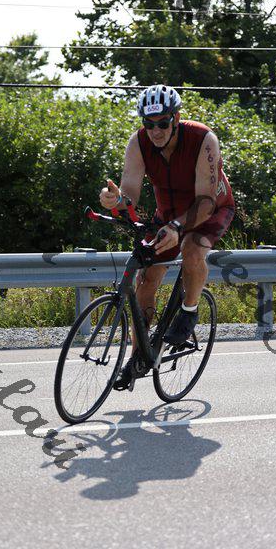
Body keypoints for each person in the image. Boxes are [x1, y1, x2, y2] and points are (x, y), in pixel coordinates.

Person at [99, 84, 235, 390]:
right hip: (168, 213)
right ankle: (138, 357)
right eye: (149, 124)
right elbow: (129, 194)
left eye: (162, 123)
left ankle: (189, 311)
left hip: (210, 208)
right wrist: (114, 200)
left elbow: (205, 202)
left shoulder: (203, 139)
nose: (155, 131)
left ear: (176, 117)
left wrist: (176, 227)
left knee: (192, 249)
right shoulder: (139, 142)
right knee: (146, 277)